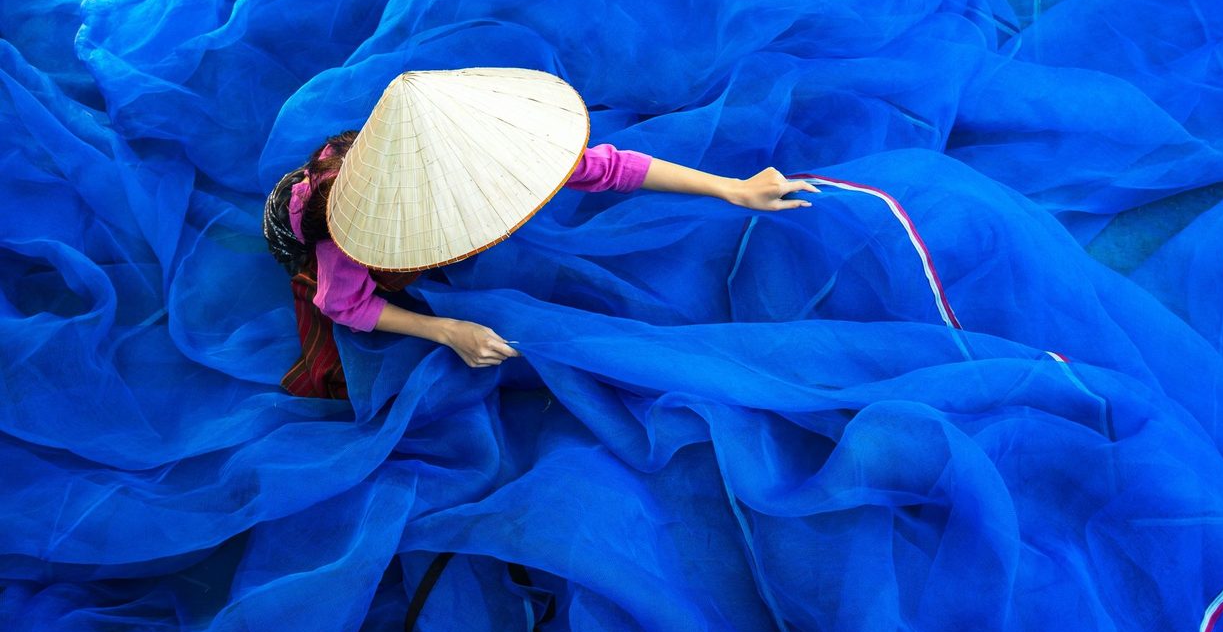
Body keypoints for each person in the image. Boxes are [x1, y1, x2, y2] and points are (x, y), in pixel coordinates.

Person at [265, 124, 819, 399]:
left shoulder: (489, 152)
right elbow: (341, 303)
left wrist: (730, 189)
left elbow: (607, 167)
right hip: (306, 232)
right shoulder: (351, 233)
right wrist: (445, 329)